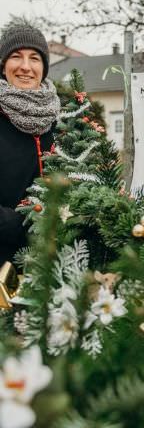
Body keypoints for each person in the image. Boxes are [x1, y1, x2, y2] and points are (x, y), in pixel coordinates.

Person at [0, 21, 59, 265]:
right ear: (3, 66)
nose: (26, 67)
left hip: (55, 268)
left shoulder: (65, 121)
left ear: (44, 67)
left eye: (34, 58)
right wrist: (23, 223)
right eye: (16, 56)